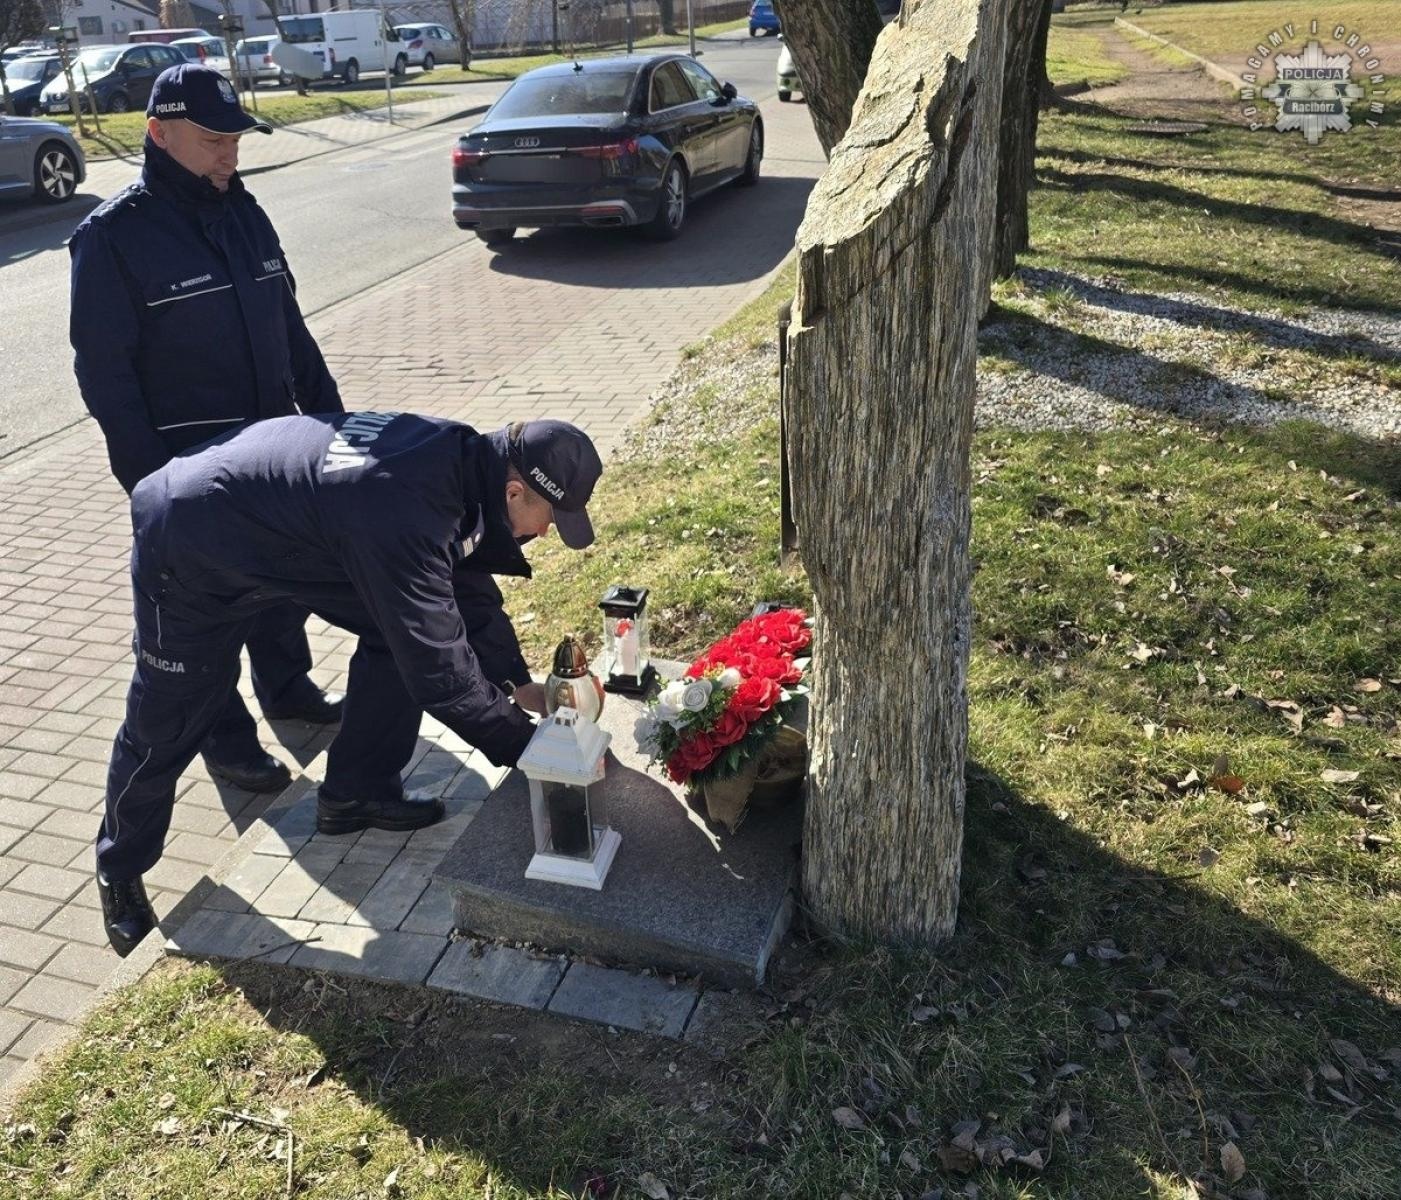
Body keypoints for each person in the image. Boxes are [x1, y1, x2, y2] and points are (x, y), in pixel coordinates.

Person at [96, 412, 604, 956]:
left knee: (397, 632)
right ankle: (118, 867)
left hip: (284, 531)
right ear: (514, 490)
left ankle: (357, 792)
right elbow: (441, 674)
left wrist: (516, 683)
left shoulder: (464, 463)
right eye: (550, 516)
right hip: (189, 543)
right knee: (167, 721)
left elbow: (461, 586)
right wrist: (533, 754)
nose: (547, 532)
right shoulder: (406, 509)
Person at [67, 63, 344, 799]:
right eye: (213, 139)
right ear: (158, 133)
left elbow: (289, 325)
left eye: (236, 138)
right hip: (189, 473)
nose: (230, 153)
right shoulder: (113, 239)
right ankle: (227, 744)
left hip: (273, 453)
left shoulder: (245, 211)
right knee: (204, 616)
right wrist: (151, 481)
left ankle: (289, 690)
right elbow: (105, 376)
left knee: (280, 588)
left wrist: (333, 424)